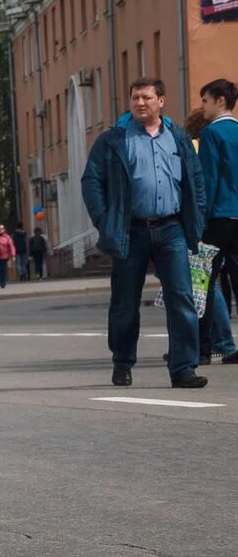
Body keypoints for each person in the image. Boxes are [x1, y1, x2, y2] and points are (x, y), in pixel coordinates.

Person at [80, 77, 207, 389]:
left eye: (146, 97)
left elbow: (196, 180)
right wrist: (104, 219)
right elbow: (91, 181)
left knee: (182, 299)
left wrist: (198, 220)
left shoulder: (177, 137)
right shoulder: (114, 140)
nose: (139, 103)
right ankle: (122, 362)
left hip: (172, 229)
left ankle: (183, 368)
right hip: (130, 231)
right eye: (135, 97)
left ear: (161, 101)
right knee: (125, 302)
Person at [196, 78, 238, 364]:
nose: (203, 107)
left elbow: (207, 179)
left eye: (206, 100)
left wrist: (199, 220)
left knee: (203, 280)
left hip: (219, 216)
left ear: (220, 100)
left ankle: (202, 347)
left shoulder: (211, 133)